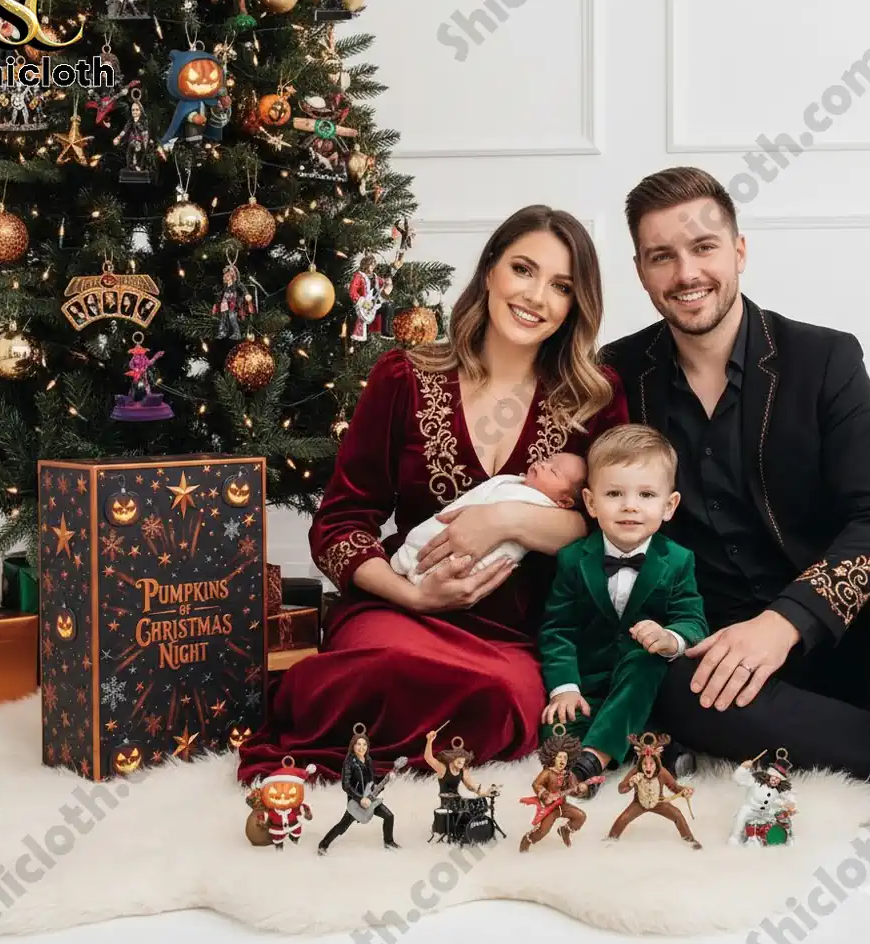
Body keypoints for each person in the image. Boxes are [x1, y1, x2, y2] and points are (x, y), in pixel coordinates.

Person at [237, 205, 629, 784]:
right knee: (381, 668)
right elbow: (340, 523)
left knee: (498, 700)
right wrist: (413, 596)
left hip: (517, 637)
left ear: (576, 304)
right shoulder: (404, 376)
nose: (536, 296)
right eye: (523, 269)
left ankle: (389, 753)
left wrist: (505, 520)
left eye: (561, 286)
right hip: (399, 610)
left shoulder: (595, 397)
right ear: (490, 269)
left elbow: (614, 528)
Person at [602, 165, 870, 795]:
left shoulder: (825, 357)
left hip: (845, 640)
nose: (686, 273)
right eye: (662, 256)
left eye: (703, 247)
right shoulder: (615, 375)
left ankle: (831, 735)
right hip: (720, 676)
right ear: (641, 271)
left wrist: (785, 622)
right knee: (657, 675)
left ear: (739, 251)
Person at [538, 424, 709, 797]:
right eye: (614, 493)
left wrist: (670, 638)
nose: (630, 505)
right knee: (555, 731)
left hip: (646, 686)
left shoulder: (678, 560)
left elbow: (694, 620)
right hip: (590, 686)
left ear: (669, 506)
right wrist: (564, 688)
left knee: (644, 660)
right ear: (591, 502)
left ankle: (593, 761)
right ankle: (647, 748)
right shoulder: (573, 559)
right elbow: (558, 630)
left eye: (646, 494)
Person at [391, 451, 587, 584]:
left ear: (564, 502)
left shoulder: (542, 505)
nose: (543, 464)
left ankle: (423, 574)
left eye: (553, 471)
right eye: (547, 459)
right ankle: (410, 558)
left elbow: (508, 552)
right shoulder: (511, 483)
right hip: (438, 536)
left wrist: (504, 520)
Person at [607, 732, 701, 849]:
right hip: (639, 803)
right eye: (645, 764)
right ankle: (610, 840)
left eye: (651, 764)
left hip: (659, 802)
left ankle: (690, 840)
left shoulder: (662, 772)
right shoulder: (635, 772)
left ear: (656, 762)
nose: (648, 767)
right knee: (623, 819)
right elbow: (621, 789)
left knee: (677, 815)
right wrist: (630, 783)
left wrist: (684, 791)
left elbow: (674, 787)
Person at [317, 729, 398, 854]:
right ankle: (323, 844)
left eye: (364, 744)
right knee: (342, 826)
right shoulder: (349, 763)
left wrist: (386, 778)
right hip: (356, 801)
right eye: (358, 744)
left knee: (389, 816)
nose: (362, 747)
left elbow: (372, 779)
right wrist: (360, 799)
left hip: (370, 798)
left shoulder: (368, 760)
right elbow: (346, 785)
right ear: (353, 746)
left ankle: (388, 842)